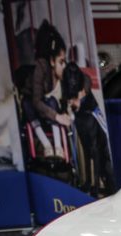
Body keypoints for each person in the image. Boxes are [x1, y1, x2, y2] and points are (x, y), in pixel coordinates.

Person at [60, 63, 116, 196]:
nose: (72, 79)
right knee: (86, 149)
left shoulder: (84, 80)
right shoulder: (65, 86)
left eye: (75, 75)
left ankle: (96, 184)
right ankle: (88, 182)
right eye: (70, 75)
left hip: (90, 115)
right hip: (82, 117)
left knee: (96, 150)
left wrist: (81, 97)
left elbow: (86, 82)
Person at [28, 21, 72, 158]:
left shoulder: (63, 75)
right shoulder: (40, 68)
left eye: (65, 61)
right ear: (52, 61)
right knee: (29, 104)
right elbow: (36, 101)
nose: (64, 66)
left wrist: (67, 113)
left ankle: (59, 147)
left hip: (49, 109)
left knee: (52, 101)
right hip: (34, 108)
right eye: (61, 62)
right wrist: (57, 117)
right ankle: (47, 145)